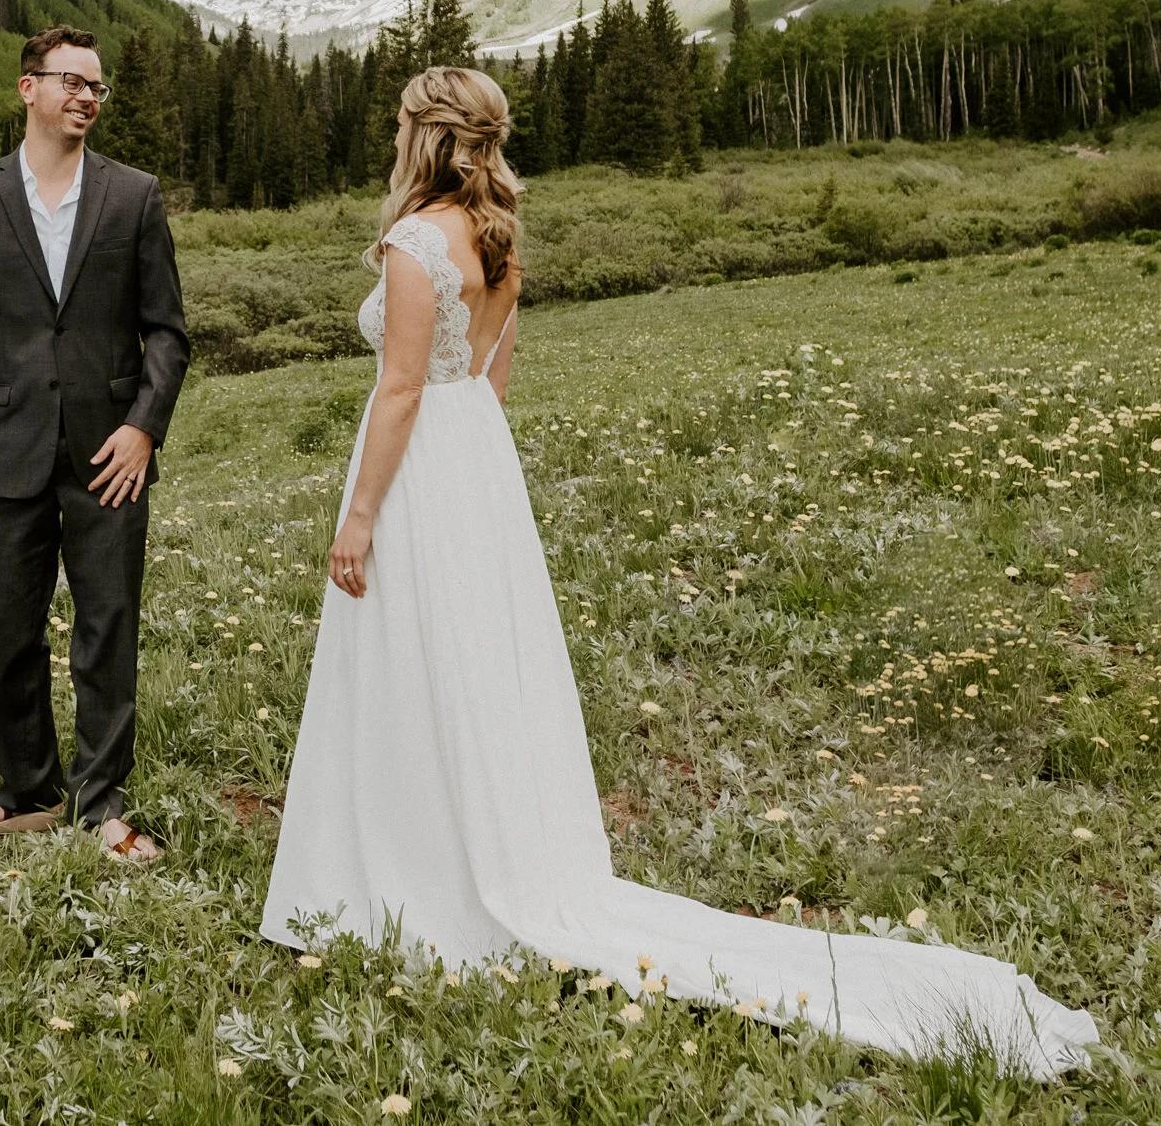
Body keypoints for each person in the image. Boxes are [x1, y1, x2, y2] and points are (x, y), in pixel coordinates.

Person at [261, 66, 1099, 1077]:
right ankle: (475, 844)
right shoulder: (497, 231)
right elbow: (491, 375)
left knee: (411, 669)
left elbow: (398, 390)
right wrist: (468, 465)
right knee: (474, 667)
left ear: (418, 135)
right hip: (476, 462)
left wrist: (359, 518)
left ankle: (407, 874)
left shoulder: (412, 241)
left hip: (417, 466)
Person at [0, 25, 191, 864]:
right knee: (9, 629)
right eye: (72, 82)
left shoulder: (134, 195)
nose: (87, 96)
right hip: (7, 446)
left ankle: (103, 807)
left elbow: (167, 334)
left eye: (97, 86)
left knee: (108, 624)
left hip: (111, 456)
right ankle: (25, 791)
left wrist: (142, 426)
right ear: (29, 88)